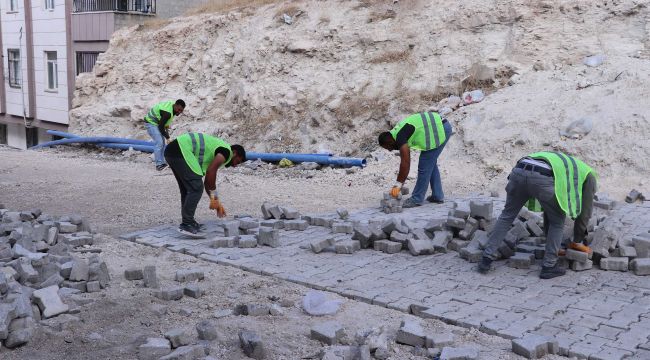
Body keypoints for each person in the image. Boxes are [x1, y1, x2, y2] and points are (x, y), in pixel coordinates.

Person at [478, 151, 597, 279]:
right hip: (542, 177)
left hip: (519, 170)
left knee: (507, 216)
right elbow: (585, 212)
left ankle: (486, 259)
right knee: (557, 222)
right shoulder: (589, 176)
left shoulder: (564, 163)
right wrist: (577, 240)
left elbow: (549, 208)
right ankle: (549, 266)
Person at [164, 132, 246, 237]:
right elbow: (211, 173)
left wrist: (215, 202)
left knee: (188, 189)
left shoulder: (219, 149)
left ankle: (189, 221)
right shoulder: (226, 152)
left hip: (172, 151)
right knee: (196, 188)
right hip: (180, 150)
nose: (235, 166)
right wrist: (214, 200)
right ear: (234, 153)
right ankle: (187, 224)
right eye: (237, 162)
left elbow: (208, 182)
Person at [378, 112, 453, 207]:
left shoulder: (400, 137)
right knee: (430, 163)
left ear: (389, 141)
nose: (389, 150)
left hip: (440, 129)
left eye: (388, 147)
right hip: (440, 126)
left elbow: (405, 163)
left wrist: (398, 185)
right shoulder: (396, 133)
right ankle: (437, 195)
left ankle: (417, 199)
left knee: (424, 165)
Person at [144, 99, 186, 171]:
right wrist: (168, 138)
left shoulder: (173, 108)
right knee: (159, 143)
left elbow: (165, 124)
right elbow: (161, 126)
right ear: (175, 105)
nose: (179, 112)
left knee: (162, 143)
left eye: (181, 111)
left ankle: (163, 163)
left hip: (157, 123)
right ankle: (159, 165)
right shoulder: (167, 113)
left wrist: (167, 135)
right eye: (179, 109)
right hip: (150, 123)